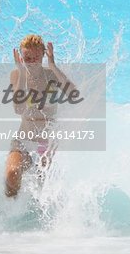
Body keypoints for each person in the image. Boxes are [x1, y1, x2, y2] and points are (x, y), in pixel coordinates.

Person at [5, 34, 76, 198]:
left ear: (43, 55)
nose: (31, 61)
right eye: (27, 57)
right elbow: (18, 109)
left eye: (35, 57)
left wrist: (53, 66)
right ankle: (6, 216)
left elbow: (73, 94)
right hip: (23, 139)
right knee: (11, 174)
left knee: (42, 185)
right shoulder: (16, 75)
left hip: (46, 142)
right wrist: (22, 73)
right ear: (21, 57)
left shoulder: (52, 75)